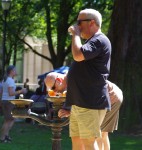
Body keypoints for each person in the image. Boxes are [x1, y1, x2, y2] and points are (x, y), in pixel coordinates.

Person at [66, 8, 111, 150]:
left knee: (89, 143)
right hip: (80, 102)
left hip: (90, 102)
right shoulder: (92, 41)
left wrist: (76, 35)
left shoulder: (99, 40)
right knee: (77, 142)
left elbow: (78, 55)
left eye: (80, 22)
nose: (77, 26)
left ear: (92, 23)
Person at [58, 80, 123, 150]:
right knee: (102, 134)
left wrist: (67, 108)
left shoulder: (71, 77)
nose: (55, 91)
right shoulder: (71, 76)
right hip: (109, 95)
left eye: (53, 87)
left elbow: (82, 94)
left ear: (58, 80)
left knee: (98, 134)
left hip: (111, 96)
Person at [0, 65, 27, 143]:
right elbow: (11, 93)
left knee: (10, 119)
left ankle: (6, 136)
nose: (16, 71)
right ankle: (3, 138)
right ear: (11, 71)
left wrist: (2, 100)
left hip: (5, 101)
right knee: (8, 120)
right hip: (9, 102)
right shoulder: (10, 80)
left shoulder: (5, 80)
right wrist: (21, 91)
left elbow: (1, 92)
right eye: (15, 70)